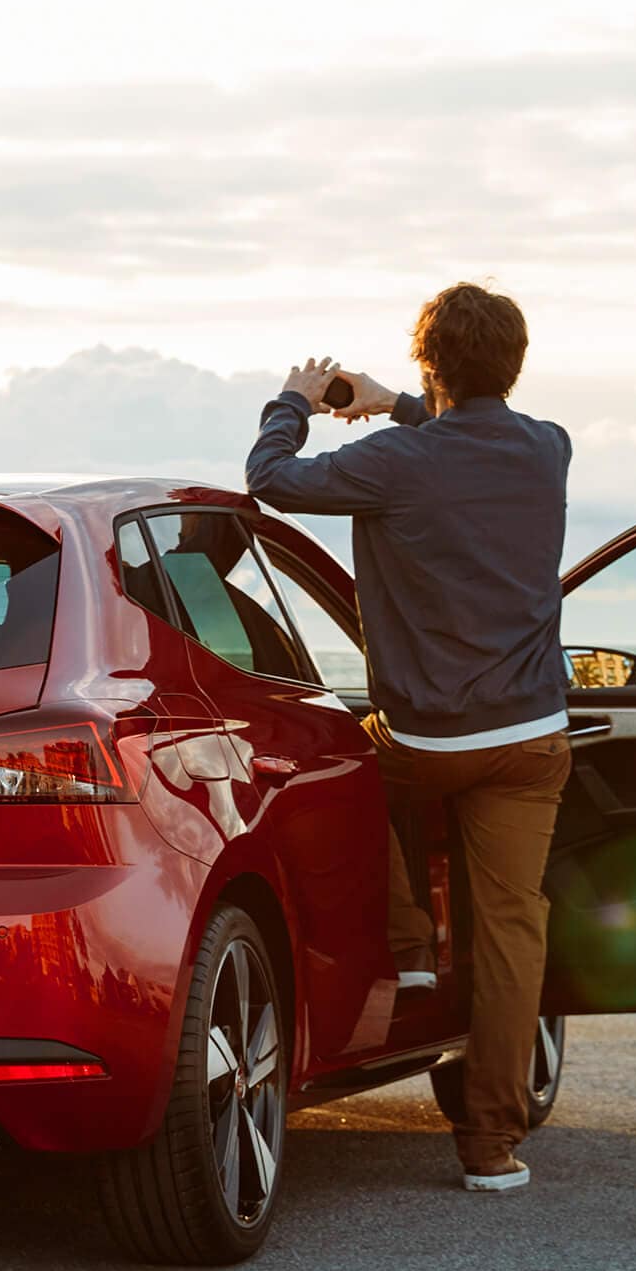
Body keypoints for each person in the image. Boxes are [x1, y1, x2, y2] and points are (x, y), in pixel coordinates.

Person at [244, 281, 573, 1194]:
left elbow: (269, 482)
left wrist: (295, 404)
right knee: (513, 934)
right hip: (535, 734)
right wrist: (394, 400)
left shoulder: (395, 465)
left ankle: (409, 944)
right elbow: (463, 430)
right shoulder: (549, 449)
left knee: (340, 764)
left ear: (431, 361)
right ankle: (492, 1147)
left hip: (426, 744)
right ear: (515, 364)